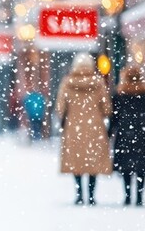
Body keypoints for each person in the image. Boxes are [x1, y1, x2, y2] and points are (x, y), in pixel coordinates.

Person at [55, 53, 112, 206]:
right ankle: (91, 196)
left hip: (74, 127)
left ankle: (80, 194)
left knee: (77, 161)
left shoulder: (67, 82)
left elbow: (60, 108)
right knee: (92, 162)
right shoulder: (98, 82)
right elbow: (107, 108)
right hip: (95, 127)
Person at [109, 67, 145, 206]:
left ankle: (128, 196)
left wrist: (110, 132)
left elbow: (114, 116)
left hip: (125, 133)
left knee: (126, 167)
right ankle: (139, 197)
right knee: (141, 168)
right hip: (143, 133)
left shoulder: (119, 94)